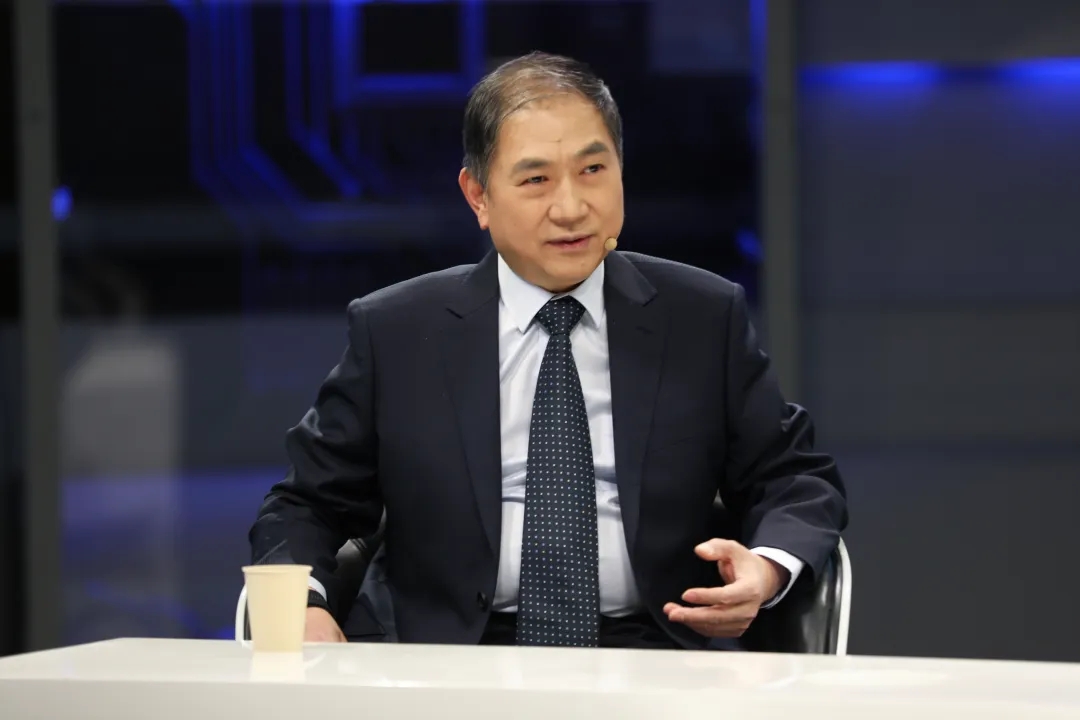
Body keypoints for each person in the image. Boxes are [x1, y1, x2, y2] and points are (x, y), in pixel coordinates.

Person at [249, 51, 847, 650]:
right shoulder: (397, 331)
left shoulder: (702, 316)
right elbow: (304, 503)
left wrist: (766, 568)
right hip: (444, 659)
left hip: (651, 653)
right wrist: (304, 606)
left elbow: (794, 477)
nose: (571, 208)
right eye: (536, 180)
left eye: (593, 170)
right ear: (478, 197)